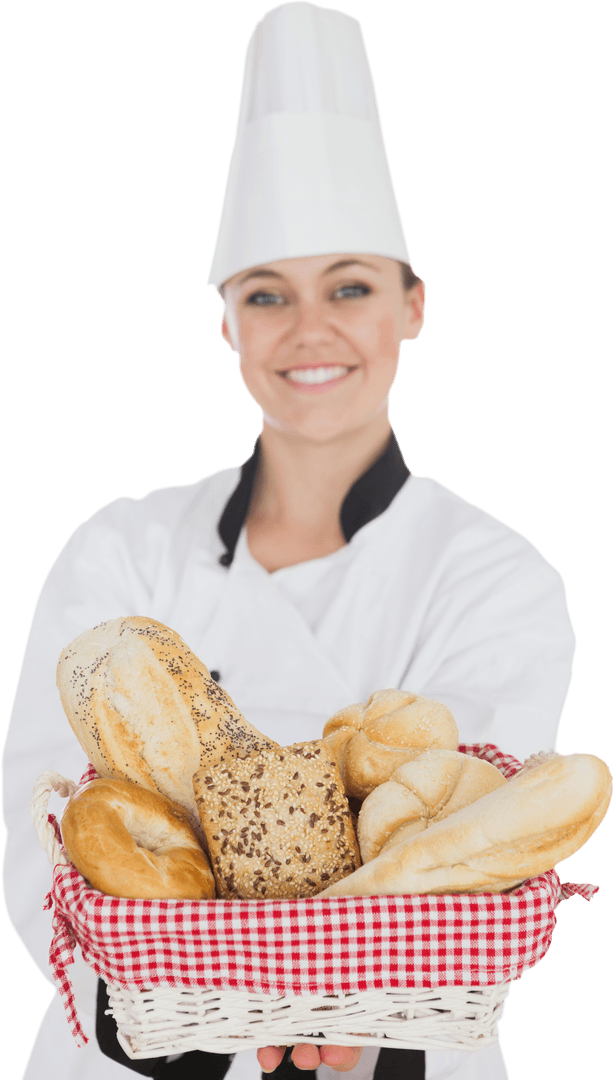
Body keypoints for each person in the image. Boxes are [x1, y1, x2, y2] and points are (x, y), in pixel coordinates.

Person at [1, 4, 576, 1079]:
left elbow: (473, 849)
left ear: (412, 305)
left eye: (349, 288)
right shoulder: (118, 552)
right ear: (226, 323)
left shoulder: (495, 575)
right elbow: (41, 827)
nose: (308, 333)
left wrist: (347, 1015)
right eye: (265, 296)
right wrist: (168, 1022)